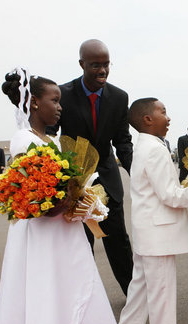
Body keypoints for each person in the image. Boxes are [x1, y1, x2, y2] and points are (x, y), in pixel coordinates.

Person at [0, 68, 127, 324]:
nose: (60, 107)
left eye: (61, 101)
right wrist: (71, 201)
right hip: (44, 237)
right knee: (49, 294)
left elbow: (61, 189)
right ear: (35, 102)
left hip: (63, 233)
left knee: (71, 290)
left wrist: (86, 202)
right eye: (55, 100)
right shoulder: (25, 141)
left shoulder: (48, 141)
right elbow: (39, 200)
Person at [118, 98, 188, 324]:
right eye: (163, 112)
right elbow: (170, 195)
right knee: (161, 286)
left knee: (142, 283)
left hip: (148, 227)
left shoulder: (146, 145)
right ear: (147, 119)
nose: (168, 118)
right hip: (158, 230)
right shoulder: (155, 149)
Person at [46, 39, 134, 296]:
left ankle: (133, 298)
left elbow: (123, 142)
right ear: (82, 64)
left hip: (107, 177)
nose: (102, 70)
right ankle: (84, 300)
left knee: (118, 240)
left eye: (106, 64)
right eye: (96, 65)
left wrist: (138, 172)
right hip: (74, 181)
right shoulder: (62, 94)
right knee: (80, 244)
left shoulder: (119, 97)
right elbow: (49, 136)